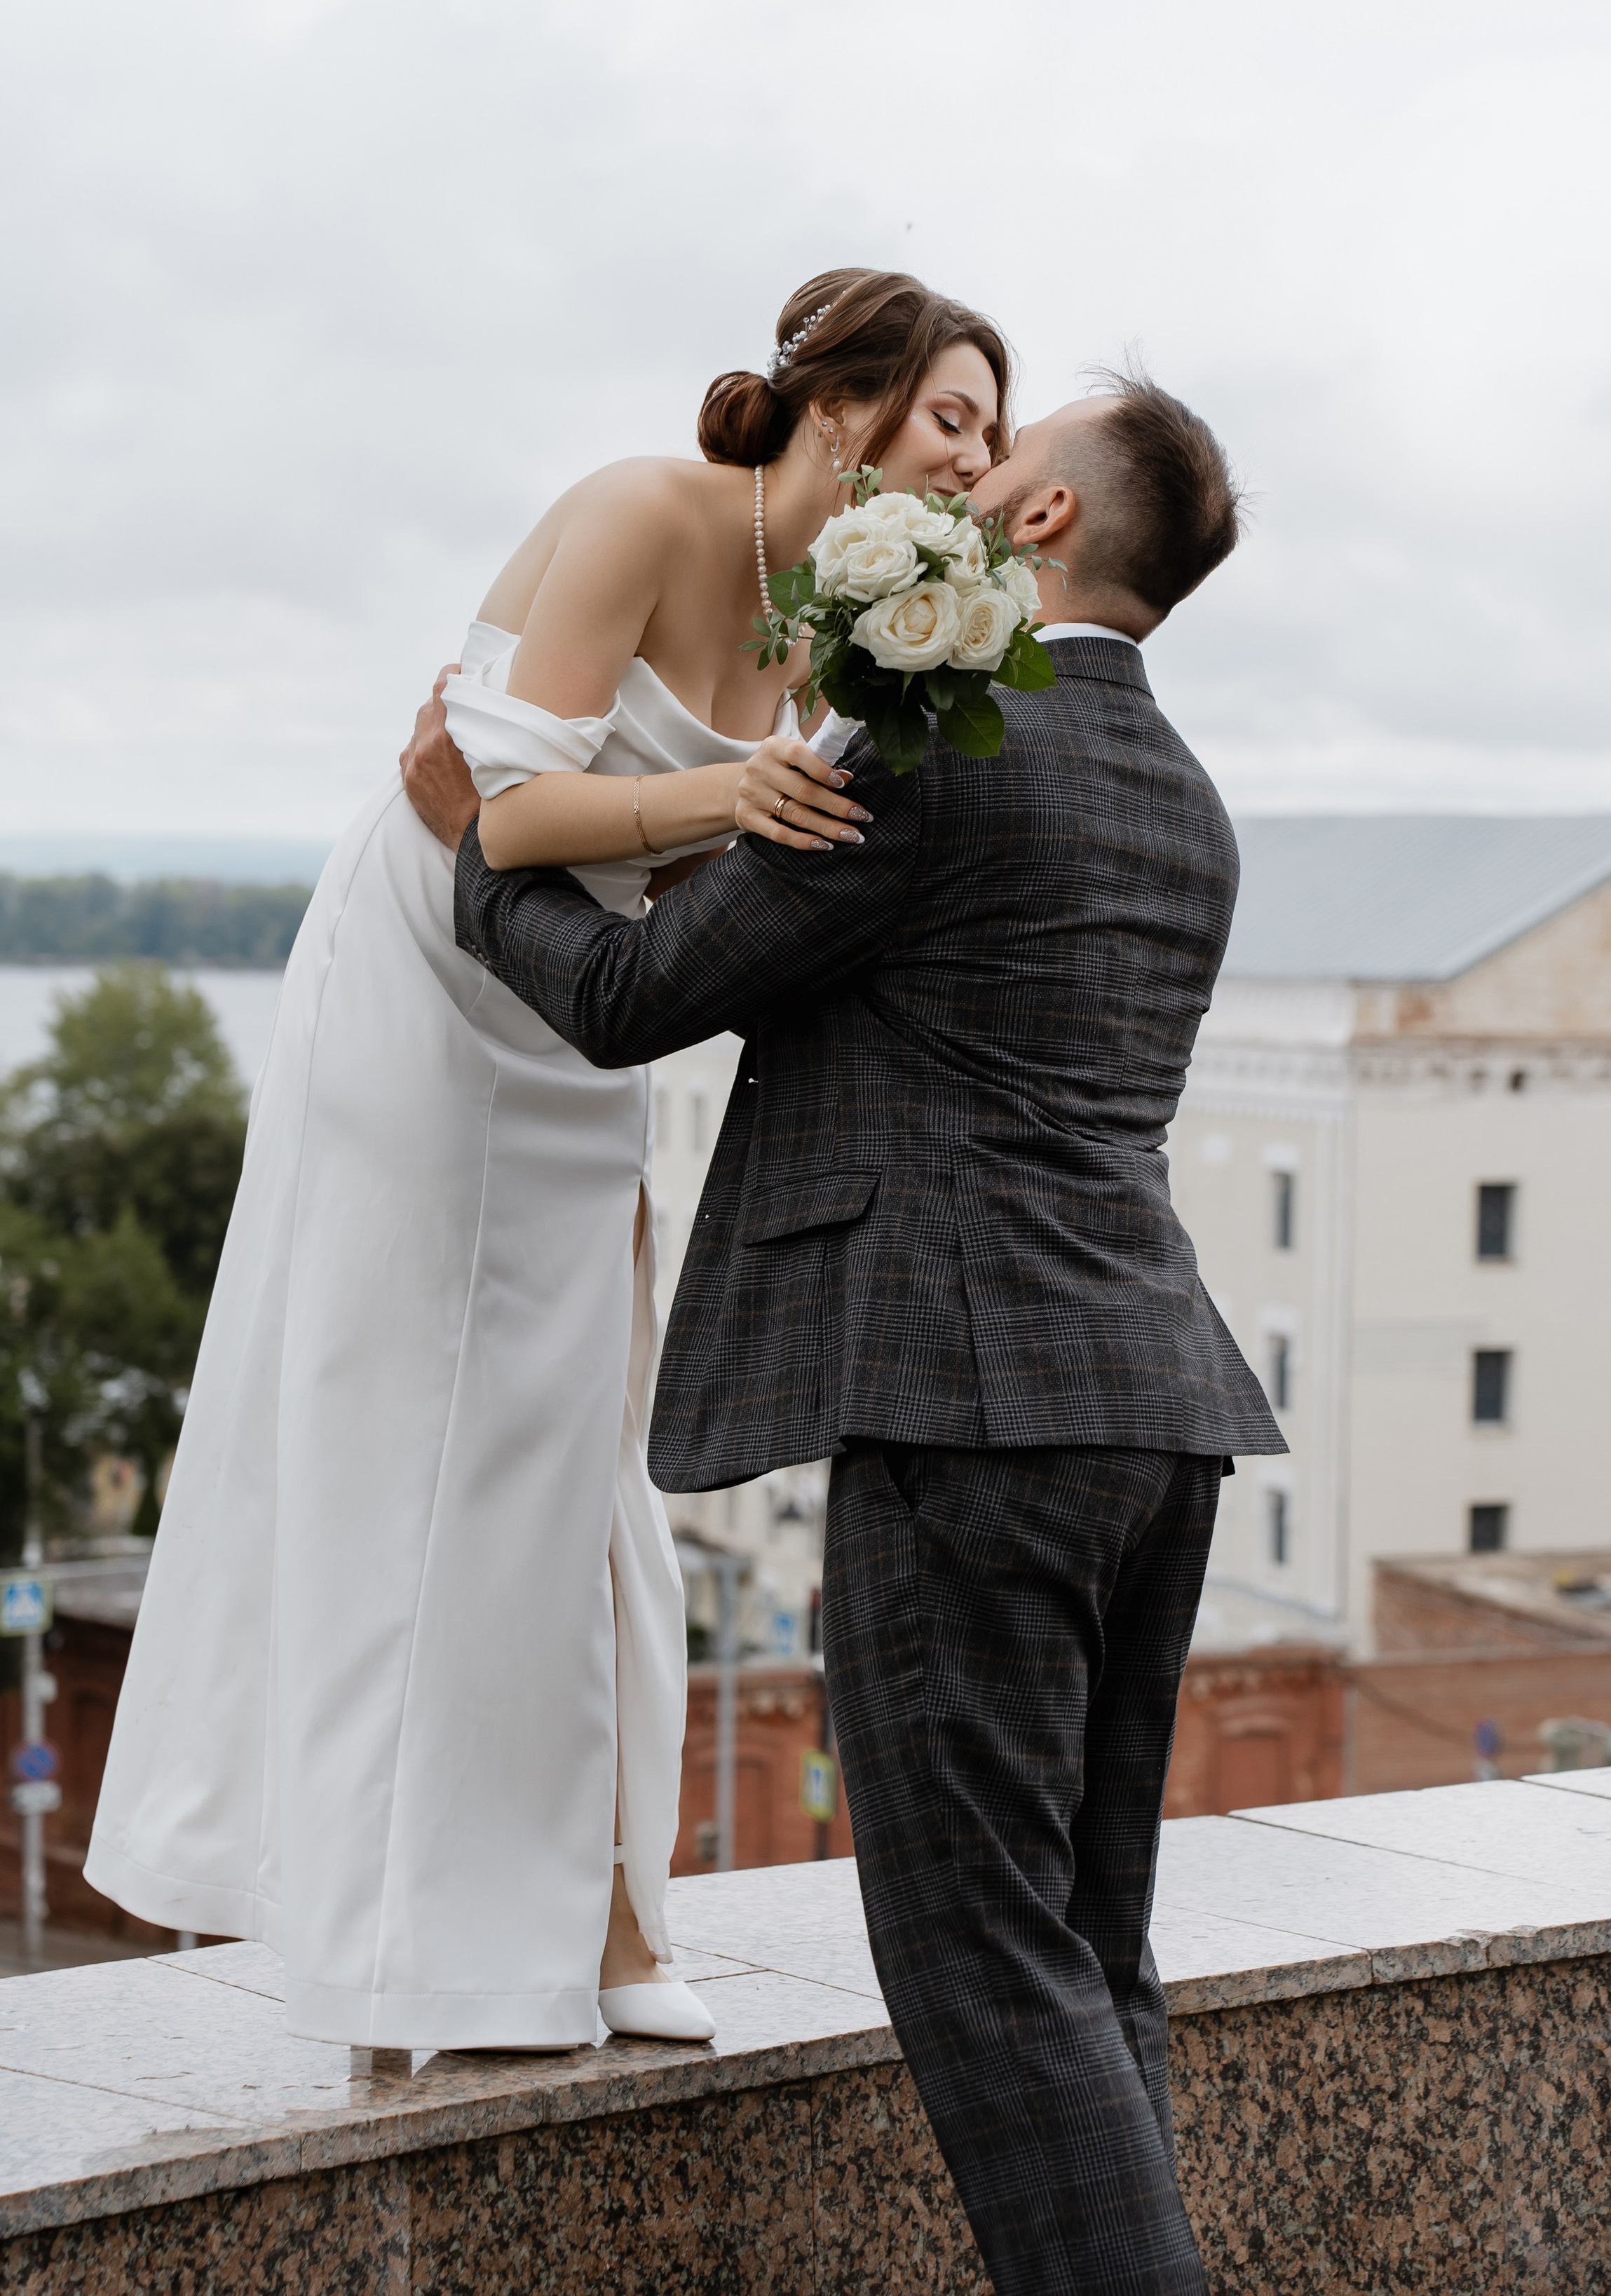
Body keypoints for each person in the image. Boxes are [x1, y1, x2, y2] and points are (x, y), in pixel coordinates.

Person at [414, 368, 1288, 2290]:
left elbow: (637, 996)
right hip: (1158, 1411)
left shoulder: (943, 744)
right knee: (1086, 1952)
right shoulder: (1188, 804)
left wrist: (482, 847)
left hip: (972, 1414)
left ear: (1043, 523)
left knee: (981, 1961)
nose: (969, 475)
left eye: (1005, 455)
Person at [86, 268, 1013, 2053]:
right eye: (951, 415)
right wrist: (728, 799)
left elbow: (691, 882)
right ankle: (402, 1941)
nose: (976, 457)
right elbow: (496, 813)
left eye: (993, 430)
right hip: (426, 978)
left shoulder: (840, 622)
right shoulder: (639, 510)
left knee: (579, 1461)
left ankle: (602, 1919)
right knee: (419, 1450)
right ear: (843, 406)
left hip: (577, 1013)